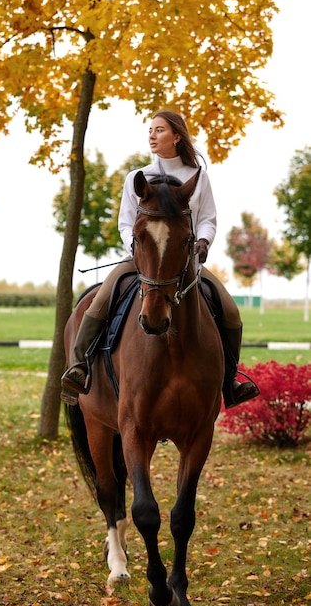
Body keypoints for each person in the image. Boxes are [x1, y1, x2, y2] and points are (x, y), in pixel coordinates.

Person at [61, 109, 259, 408]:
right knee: (98, 302)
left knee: (230, 311)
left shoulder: (198, 177)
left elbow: (207, 219)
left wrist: (203, 242)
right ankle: (79, 368)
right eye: (150, 130)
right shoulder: (135, 178)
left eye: (159, 130)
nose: (152, 136)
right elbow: (126, 222)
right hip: (142, 258)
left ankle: (229, 381)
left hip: (185, 262)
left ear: (177, 136)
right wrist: (136, 247)